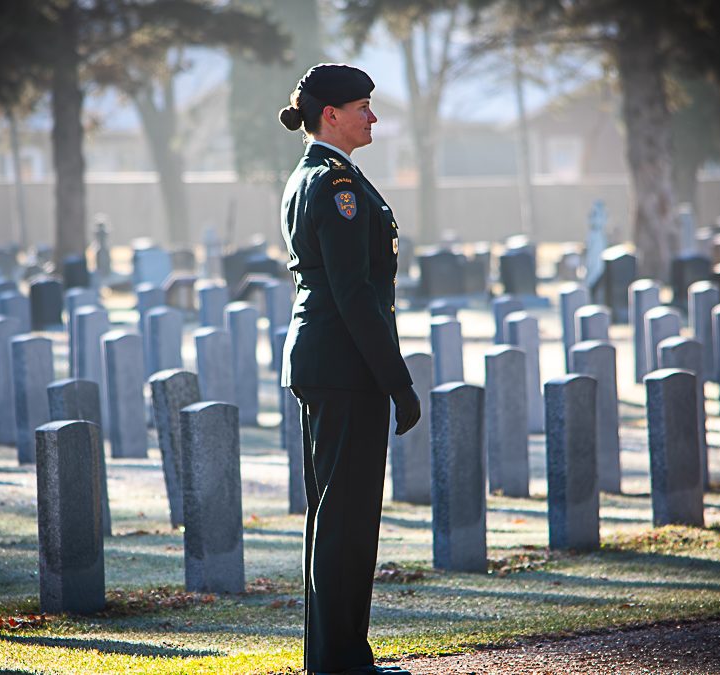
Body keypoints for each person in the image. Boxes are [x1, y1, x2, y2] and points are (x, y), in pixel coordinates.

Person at [278, 63, 421, 675]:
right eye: (363, 106)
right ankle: (340, 662)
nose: (373, 116)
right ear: (330, 115)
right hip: (344, 364)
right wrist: (398, 380)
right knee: (346, 521)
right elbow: (353, 293)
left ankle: (335, 658)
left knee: (339, 518)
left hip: (333, 361)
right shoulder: (331, 182)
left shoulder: (324, 174)